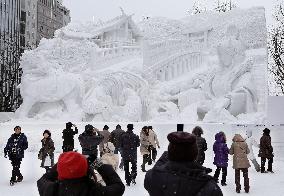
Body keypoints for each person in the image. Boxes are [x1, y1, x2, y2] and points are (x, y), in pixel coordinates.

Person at [144, 131, 223, 196]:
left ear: (170, 153)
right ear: (195, 154)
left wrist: (169, 154)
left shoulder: (152, 177)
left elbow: (156, 170)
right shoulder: (210, 188)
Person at [37, 151, 125, 196]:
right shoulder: (94, 192)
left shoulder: (52, 190)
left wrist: (63, 163)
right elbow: (118, 186)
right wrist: (96, 163)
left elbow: (43, 180)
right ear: (86, 170)